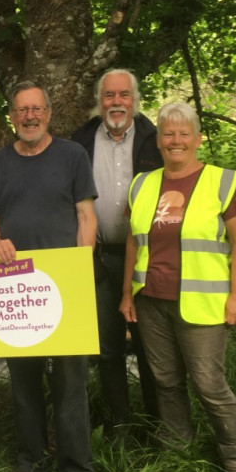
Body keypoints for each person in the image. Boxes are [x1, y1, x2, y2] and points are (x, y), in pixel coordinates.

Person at [119, 101, 236, 472]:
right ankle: (178, 449)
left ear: (196, 139)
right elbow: (133, 241)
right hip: (152, 299)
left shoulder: (222, 181)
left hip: (203, 303)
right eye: (167, 133)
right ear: (158, 140)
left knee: (209, 384)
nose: (175, 140)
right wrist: (127, 292)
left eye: (183, 133)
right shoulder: (142, 184)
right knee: (165, 381)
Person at [0, 81, 98, 472]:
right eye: (22, 110)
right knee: (23, 379)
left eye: (37, 109)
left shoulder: (72, 156)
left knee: (69, 381)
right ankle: (30, 461)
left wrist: (81, 268)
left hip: (64, 284)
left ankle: (78, 470)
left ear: (48, 113)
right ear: (12, 116)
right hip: (15, 288)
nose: (30, 116)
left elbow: (86, 215)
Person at [71, 69, 162, 435]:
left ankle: (159, 425)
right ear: (99, 100)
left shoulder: (154, 138)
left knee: (151, 347)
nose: (116, 102)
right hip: (101, 257)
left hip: (148, 258)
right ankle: (120, 424)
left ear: (135, 99)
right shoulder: (81, 140)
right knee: (108, 348)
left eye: (124, 94)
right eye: (109, 95)